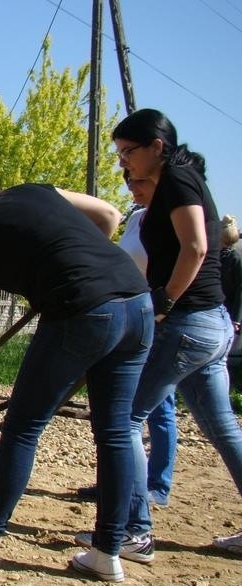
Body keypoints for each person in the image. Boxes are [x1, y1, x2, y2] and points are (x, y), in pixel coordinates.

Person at [0, 160, 153, 583]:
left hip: (83, 312)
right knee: (117, 431)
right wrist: (67, 264)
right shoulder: (34, 189)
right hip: (138, 303)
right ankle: (107, 552)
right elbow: (110, 215)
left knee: (24, 427)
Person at [75, 108, 242, 560]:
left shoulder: (179, 180)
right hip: (212, 324)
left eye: (128, 152)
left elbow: (196, 246)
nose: (123, 162)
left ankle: (133, 531)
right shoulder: (177, 182)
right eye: (119, 153)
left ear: (157, 148)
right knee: (222, 428)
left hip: (188, 323)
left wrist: (165, 301)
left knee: (123, 418)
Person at [78, 173, 178, 508]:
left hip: (162, 318)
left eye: (139, 181)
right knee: (122, 412)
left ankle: (155, 487)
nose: (131, 186)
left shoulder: (173, 219)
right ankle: (117, 482)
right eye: (128, 180)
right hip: (134, 315)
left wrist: (164, 306)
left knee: (145, 412)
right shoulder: (136, 219)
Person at [220, 215, 242, 389]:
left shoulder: (235, 258)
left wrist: (237, 318)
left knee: (222, 360)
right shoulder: (220, 257)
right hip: (219, 309)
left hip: (230, 312)